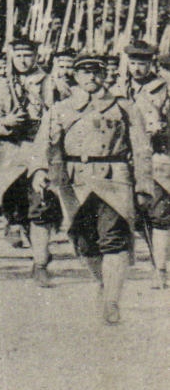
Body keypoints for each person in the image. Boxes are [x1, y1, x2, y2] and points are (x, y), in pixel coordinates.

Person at [30, 52, 153, 324]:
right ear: (75, 75)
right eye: (84, 72)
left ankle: (111, 300)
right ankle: (103, 282)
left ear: (105, 74)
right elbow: (43, 144)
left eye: (96, 72)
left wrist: (143, 186)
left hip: (115, 178)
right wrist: (39, 170)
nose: (91, 77)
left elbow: (142, 149)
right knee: (85, 242)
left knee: (114, 238)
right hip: (76, 182)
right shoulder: (61, 109)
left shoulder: (123, 107)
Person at [0, 37, 61, 284]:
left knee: (40, 205)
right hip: (11, 154)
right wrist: (6, 123)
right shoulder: (1, 86)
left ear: (36, 57)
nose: (22, 60)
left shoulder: (50, 82)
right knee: (15, 206)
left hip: (40, 151)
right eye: (18, 56)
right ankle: (38, 250)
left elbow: (60, 114)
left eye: (27, 55)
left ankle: (40, 263)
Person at [122, 40, 170, 292]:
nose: (137, 68)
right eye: (133, 63)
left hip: (157, 161)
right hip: (125, 162)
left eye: (142, 63)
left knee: (159, 215)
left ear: (151, 64)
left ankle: (160, 270)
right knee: (137, 219)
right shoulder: (119, 88)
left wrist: (163, 128)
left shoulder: (164, 87)